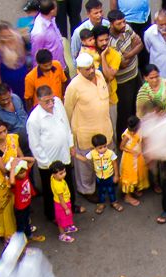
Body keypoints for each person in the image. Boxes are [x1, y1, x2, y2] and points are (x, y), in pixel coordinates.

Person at [28, 86, 84, 225]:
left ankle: (71, 206)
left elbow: (65, 124)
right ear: (39, 101)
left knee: (68, 183)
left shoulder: (58, 103)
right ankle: (52, 214)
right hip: (49, 163)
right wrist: (48, 164)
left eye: (52, 99)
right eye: (47, 102)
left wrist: (70, 144)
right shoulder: (34, 119)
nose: (51, 104)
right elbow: (35, 146)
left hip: (63, 155)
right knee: (50, 190)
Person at [65, 52, 114, 198]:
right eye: (87, 69)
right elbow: (68, 110)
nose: (91, 70)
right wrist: (70, 135)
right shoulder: (73, 86)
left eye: (92, 67)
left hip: (105, 128)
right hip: (85, 132)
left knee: (105, 158)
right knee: (85, 164)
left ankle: (106, 180)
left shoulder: (99, 76)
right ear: (79, 70)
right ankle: (87, 190)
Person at [108, 10, 145, 139]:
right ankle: (123, 139)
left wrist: (128, 54)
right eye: (119, 23)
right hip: (123, 82)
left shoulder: (127, 28)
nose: (123, 25)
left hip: (135, 74)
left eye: (124, 21)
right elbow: (122, 64)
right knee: (125, 112)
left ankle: (137, 134)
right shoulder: (110, 42)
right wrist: (133, 49)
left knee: (138, 106)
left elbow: (140, 45)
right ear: (112, 24)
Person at [0, 119, 25, 239]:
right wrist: (14, 167)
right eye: (0, 133)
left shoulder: (12, 139)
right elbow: (3, 170)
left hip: (16, 175)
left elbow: (21, 156)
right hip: (2, 181)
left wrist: (19, 166)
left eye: (5, 131)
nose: (4, 135)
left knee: (17, 203)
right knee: (5, 207)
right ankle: (7, 234)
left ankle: (20, 227)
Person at [77, 133, 123, 213]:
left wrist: (116, 175)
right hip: (99, 177)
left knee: (111, 190)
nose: (103, 149)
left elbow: (115, 163)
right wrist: (75, 155)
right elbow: (85, 159)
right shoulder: (92, 153)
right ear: (94, 148)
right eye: (100, 148)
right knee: (101, 191)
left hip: (109, 176)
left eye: (105, 146)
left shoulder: (110, 153)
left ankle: (114, 202)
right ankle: (101, 204)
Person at [0, 22, 29, 98]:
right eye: (4, 37)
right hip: (8, 85)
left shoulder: (19, 40)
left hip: (24, 83)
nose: (8, 39)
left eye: (9, 36)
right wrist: (0, 91)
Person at [118, 116, 148, 205]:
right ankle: (127, 196)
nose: (133, 132)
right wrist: (131, 151)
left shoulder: (140, 131)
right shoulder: (127, 135)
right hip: (129, 158)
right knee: (129, 177)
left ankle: (134, 189)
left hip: (138, 157)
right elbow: (121, 147)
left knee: (137, 173)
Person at [31, 0, 66, 69]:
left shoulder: (51, 19)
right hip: (51, 71)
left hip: (61, 64)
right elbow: (36, 56)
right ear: (52, 11)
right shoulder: (39, 33)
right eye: (56, 6)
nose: (57, 8)